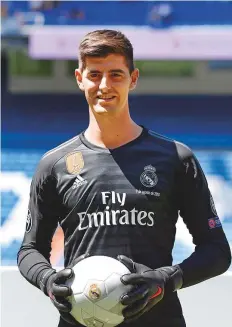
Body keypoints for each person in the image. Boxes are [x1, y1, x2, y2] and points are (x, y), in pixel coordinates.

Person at [17, 29, 231, 327]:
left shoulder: (175, 158)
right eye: (94, 75)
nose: (104, 85)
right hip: (81, 319)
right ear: (79, 78)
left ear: (133, 78)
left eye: (116, 74)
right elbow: (30, 250)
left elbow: (218, 251)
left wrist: (165, 280)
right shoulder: (55, 165)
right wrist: (48, 281)